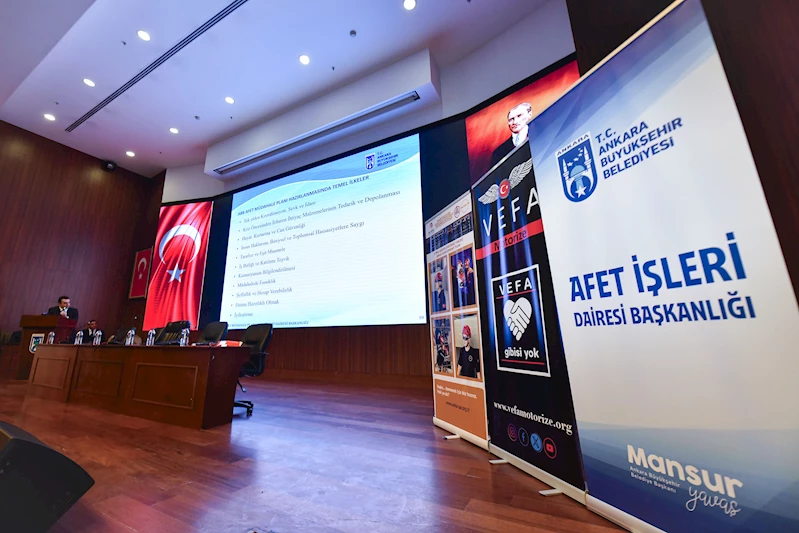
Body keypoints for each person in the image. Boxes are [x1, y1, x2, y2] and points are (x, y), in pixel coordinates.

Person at [489, 102, 534, 169]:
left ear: (529, 115)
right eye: (511, 119)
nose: (515, 122)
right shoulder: (498, 152)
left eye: (519, 116)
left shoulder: (542, 133)